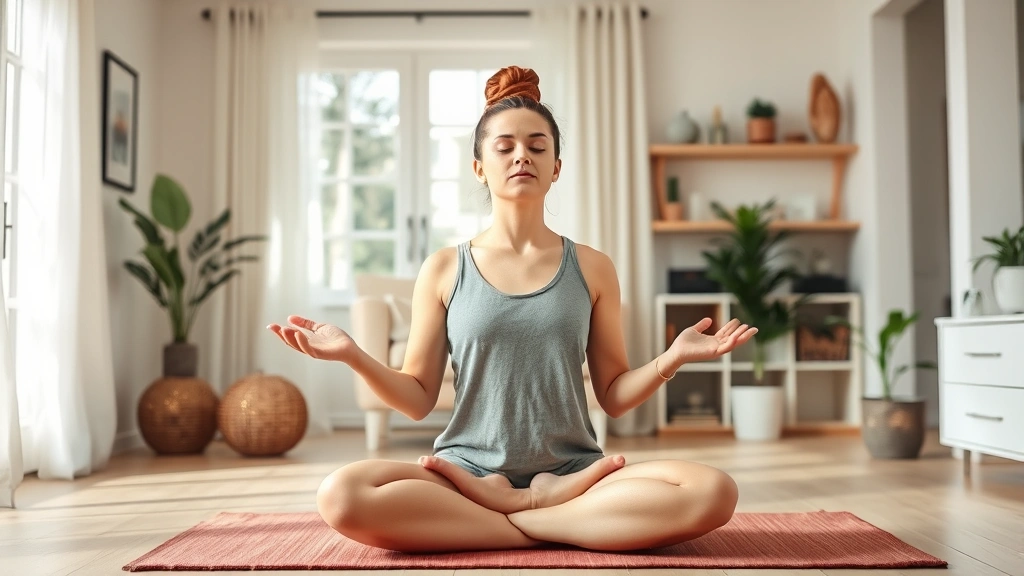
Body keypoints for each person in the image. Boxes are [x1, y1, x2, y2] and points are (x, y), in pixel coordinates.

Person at [268, 65, 757, 554]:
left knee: (713, 491)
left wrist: (670, 358)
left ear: (556, 167)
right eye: (504, 147)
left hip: (574, 475)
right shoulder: (442, 268)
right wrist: (353, 355)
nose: (521, 155)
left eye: (537, 146)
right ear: (479, 165)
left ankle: (520, 516)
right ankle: (552, 522)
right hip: (465, 476)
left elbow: (611, 394)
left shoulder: (592, 267)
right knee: (341, 495)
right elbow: (418, 397)